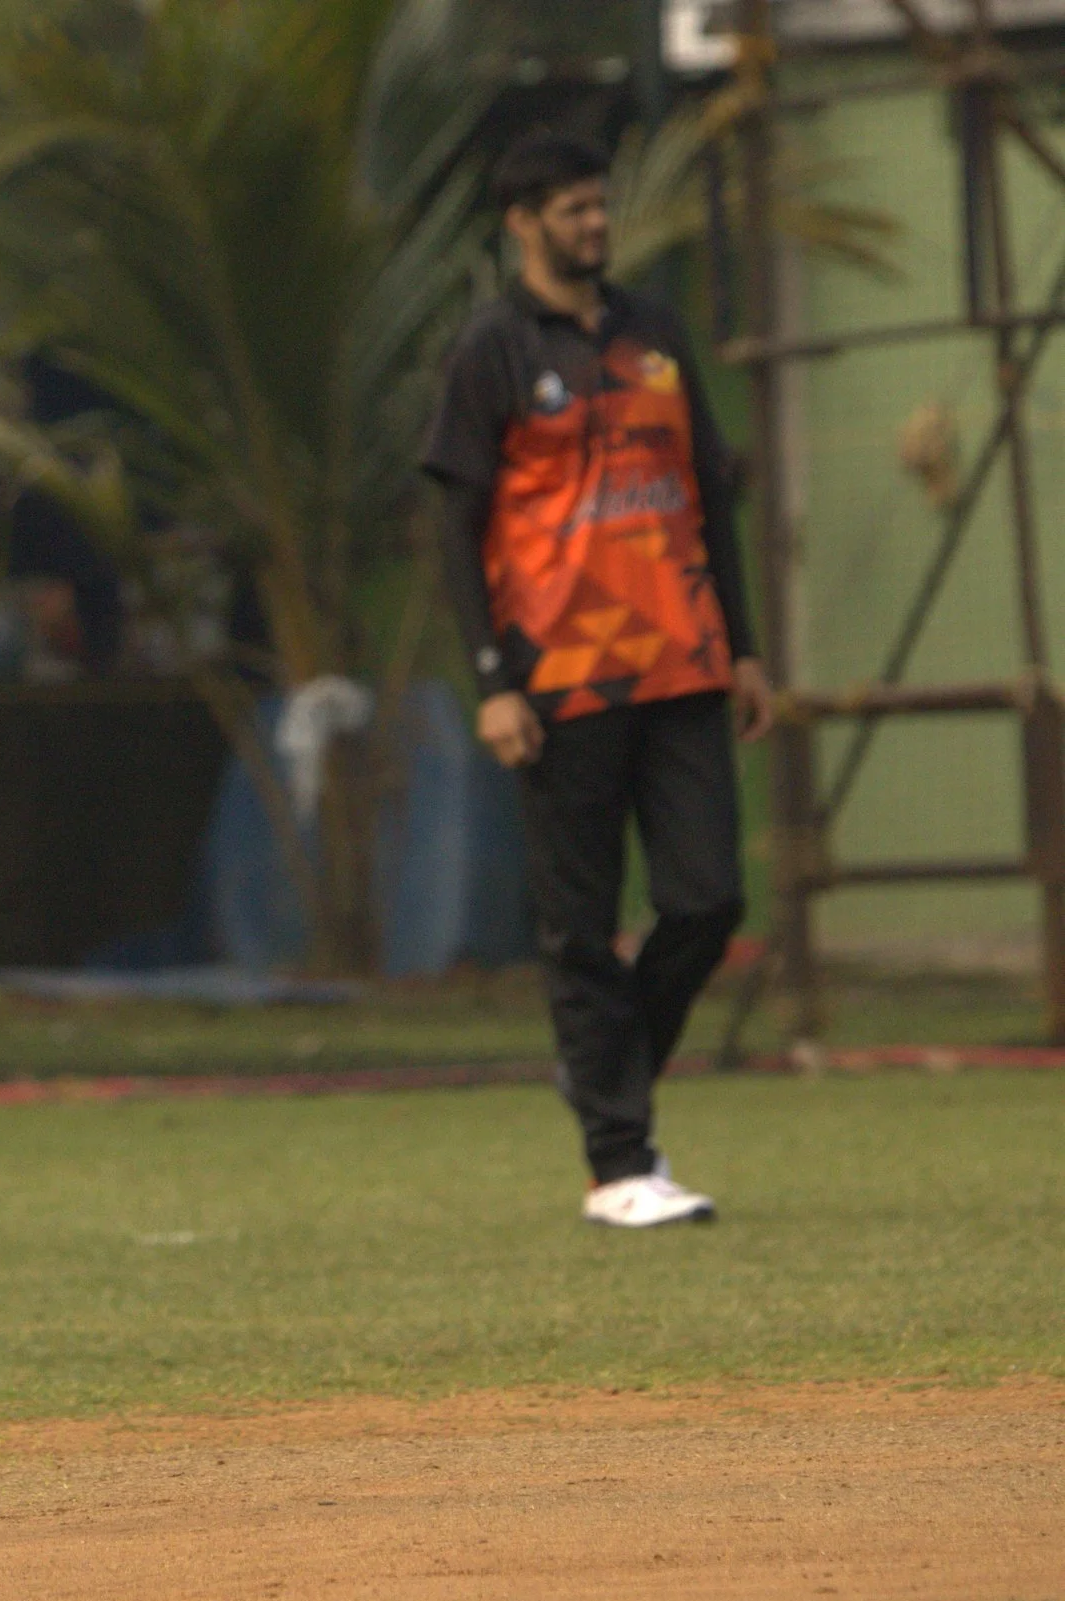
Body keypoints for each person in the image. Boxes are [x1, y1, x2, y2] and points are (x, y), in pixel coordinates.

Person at [421, 131, 775, 1230]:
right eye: (572, 208)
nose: (594, 223)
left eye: (597, 205)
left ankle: (604, 1074)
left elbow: (708, 494)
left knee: (706, 898)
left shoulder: (653, 332)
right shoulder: (488, 349)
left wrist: (746, 644)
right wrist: (490, 679)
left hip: (679, 660)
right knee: (579, 925)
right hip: (556, 682)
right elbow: (452, 525)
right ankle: (619, 1164)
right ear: (522, 221)